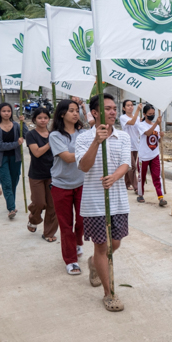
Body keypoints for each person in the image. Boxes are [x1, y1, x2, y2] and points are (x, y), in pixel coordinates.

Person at [76, 93, 131, 312]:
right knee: (102, 246)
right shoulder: (83, 138)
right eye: (107, 108)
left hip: (118, 201)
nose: (112, 112)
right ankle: (109, 293)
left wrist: (115, 176)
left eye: (114, 108)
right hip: (94, 202)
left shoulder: (123, 137)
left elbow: (126, 163)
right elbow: (84, 166)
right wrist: (96, 142)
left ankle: (93, 263)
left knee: (114, 244)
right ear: (95, 113)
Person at [49, 99, 85, 275]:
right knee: (66, 225)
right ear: (62, 114)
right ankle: (71, 260)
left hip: (81, 183)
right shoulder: (55, 136)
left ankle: (78, 242)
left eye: (77, 110)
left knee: (82, 219)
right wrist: (90, 149)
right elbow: (68, 157)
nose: (75, 113)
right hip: (61, 185)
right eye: (71, 110)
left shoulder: (83, 133)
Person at [25, 107, 58, 243]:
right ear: (34, 119)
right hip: (37, 174)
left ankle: (48, 233)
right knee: (39, 202)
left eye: (45, 118)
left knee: (52, 205)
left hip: (53, 174)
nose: (43, 120)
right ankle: (34, 218)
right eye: (40, 118)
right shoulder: (31, 135)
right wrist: (51, 144)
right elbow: (37, 152)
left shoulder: (54, 134)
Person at [0, 103, 27, 219]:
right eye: (4, 111)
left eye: (8, 111)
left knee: (13, 182)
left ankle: (11, 203)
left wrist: (23, 123)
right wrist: (16, 143)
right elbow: (0, 146)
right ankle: (11, 208)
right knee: (6, 183)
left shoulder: (17, 126)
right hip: (1, 159)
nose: (6, 113)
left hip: (16, 158)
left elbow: (26, 135)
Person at [137, 103, 166, 207]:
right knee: (142, 176)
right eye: (150, 113)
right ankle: (140, 194)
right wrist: (156, 124)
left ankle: (160, 197)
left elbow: (155, 140)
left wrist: (161, 136)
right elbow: (148, 133)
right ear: (144, 114)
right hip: (144, 155)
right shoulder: (141, 125)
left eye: (153, 113)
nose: (152, 115)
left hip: (154, 154)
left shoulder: (157, 126)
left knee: (157, 176)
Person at [119, 99, 142, 192]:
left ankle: (127, 183)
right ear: (124, 108)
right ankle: (136, 187)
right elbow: (132, 122)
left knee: (129, 166)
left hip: (136, 144)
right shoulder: (123, 117)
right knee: (132, 166)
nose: (130, 107)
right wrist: (137, 111)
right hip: (126, 144)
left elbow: (138, 129)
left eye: (132, 105)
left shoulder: (137, 117)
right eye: (128, 105)